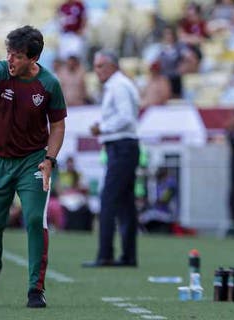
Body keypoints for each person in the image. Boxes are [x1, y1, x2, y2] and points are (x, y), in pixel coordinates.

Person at [0, 25, 67, 308]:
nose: (10, 60)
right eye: (9, 53)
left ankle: (35, 289)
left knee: (33, 219)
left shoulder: (49, 84)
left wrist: (50, 159)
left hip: (32, 161)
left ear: (33, 58)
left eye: (16, 55)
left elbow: (57, 125)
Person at [82, 50, 140, 268]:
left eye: (100, 66)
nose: (96, 71)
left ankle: (106, 254)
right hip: (123, 146)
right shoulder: (119, 85)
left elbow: (126, 117)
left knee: (109, 200)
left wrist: (103, 128)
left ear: (112, 66)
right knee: (125, 203)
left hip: (122, 146)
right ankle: (128, 256)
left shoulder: (118, 86)